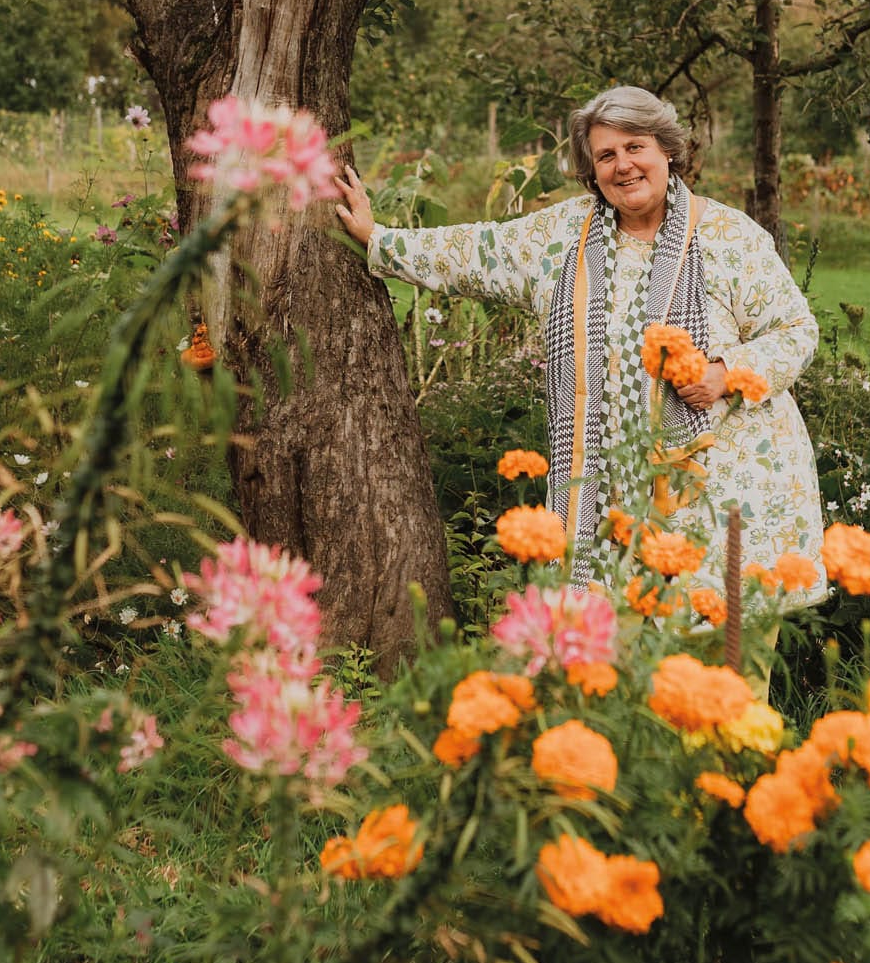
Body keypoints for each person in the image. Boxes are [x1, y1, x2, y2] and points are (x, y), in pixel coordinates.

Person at [332, 85, 824, 606]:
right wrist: (378, 238)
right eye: (606, 155)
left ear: (667, 150)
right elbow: (478, 252)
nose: (623, 166)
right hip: (608, 505)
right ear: (592, 171)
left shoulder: (730, 236)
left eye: (635, 147)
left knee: (728, 669)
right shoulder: (564, 235)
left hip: (724, 490)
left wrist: (727, 372)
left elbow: (795, 330)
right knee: (624, 665)